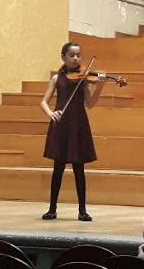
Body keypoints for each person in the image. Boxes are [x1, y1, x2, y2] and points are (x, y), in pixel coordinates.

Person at [40, 42, 105, 221]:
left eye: (78, 55)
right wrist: (50, 113)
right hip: (61, 124)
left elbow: (90, 104)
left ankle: (82, 210)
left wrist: (99, 86)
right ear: (63, 57)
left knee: (79, 169)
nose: (76, 58)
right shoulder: (56, 79)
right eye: (72, 55)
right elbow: (43, 102)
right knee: (58, 168)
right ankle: (52, 209)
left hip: (78, 124)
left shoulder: (83, 79)